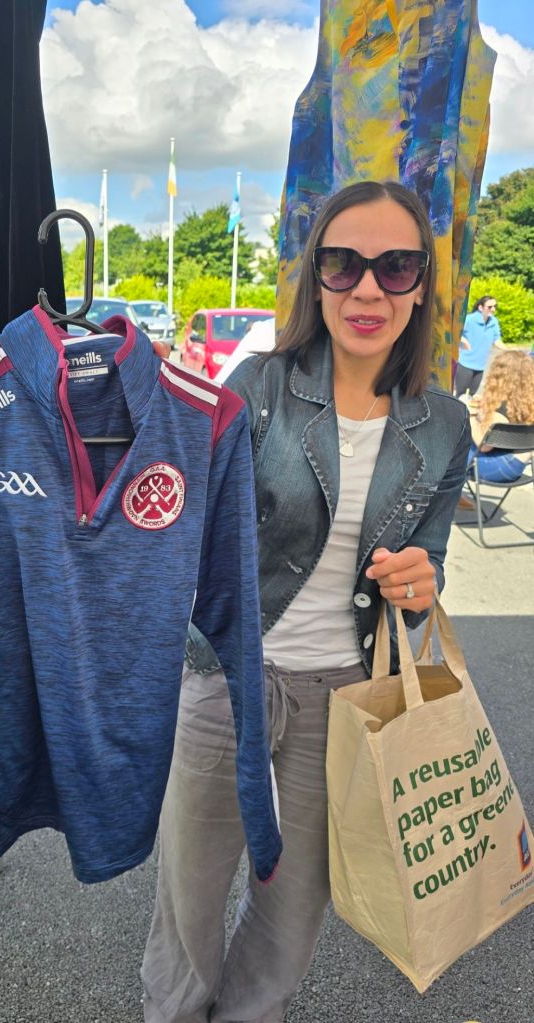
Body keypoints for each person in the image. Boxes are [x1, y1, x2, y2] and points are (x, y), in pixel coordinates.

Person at [141, 180, 470, 1023]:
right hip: (226, 680)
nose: (367, 289)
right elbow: (181, 526)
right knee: (187, 905)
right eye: (343, 263)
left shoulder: (442, 425)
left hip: (345, 699)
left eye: (394, 267)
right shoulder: (258, 386)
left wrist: (420, 585)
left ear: (420, 285)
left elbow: (426, 569)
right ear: (315, 276)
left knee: (290, 922)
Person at [460, 348, 534, 494]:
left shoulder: (500, 411)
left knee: (449, 451)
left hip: (499, 469)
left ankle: (445, 497)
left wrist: (469, 414)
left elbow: (483, 446)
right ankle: (456, 496)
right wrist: (484, 407)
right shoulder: (526, 405)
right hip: (518, 466)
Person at [454, 295, 503, 396]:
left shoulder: (494, 322)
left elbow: (497, 340)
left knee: (472, 395)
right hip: (465, 364)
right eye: (490, 307)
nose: (493, 309)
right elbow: (454, 332)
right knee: (460, 394)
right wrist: (464, 341)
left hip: (480, 366)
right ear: (480, 308)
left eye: (495, 306)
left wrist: (510, 351)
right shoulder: (469, 319)